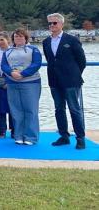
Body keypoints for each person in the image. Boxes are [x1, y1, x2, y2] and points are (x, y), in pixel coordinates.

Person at [43, 13, 87, 150]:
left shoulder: (72, 40)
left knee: (75, 109)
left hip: (71, 81)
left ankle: (80, 138)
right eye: (49, 23)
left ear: (62, 24)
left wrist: (74, 74)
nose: (52, 25)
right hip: (54, 81)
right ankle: (64, 136)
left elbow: (82, 61)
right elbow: (51, 61)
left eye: (54, 23)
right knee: (59, 109)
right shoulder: (46, 42)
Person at [1, 28, 42, 145]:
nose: (18, 38)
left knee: (30, 110)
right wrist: (11, 73)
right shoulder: (8, 51)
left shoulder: (33, 49)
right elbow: (3, 65)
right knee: (16, 110)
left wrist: (23, 74)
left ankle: (31, 137)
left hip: (30, 82)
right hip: (12, 83)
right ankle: (18, 135)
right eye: (16, 36)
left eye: (21, 36)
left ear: (25, 38)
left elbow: (36, 63)